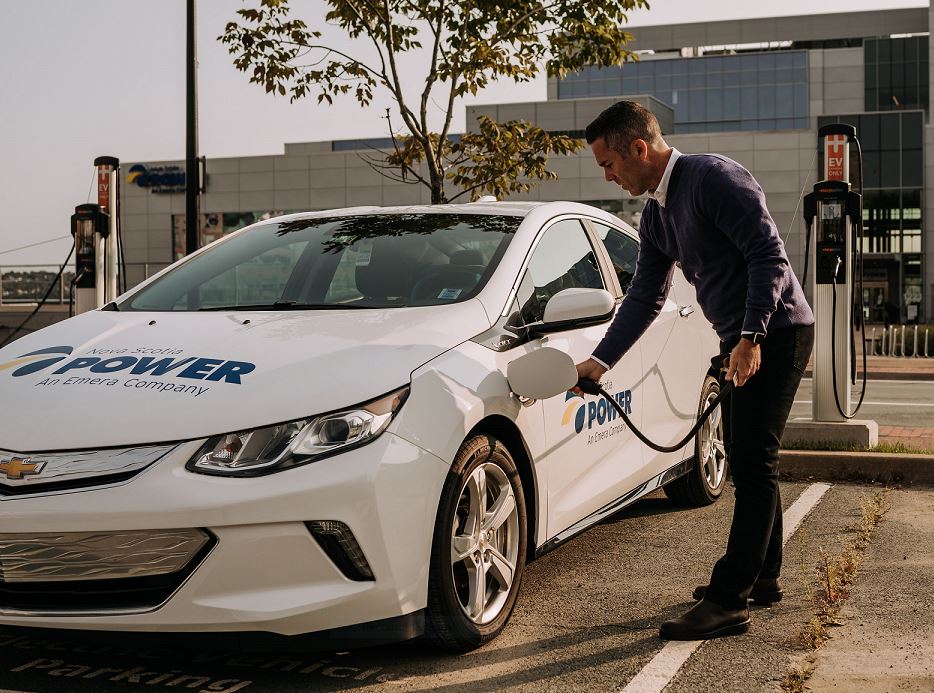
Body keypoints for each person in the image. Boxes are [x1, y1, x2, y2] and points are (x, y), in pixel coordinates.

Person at [576, 100, 815, 640]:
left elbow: (768, 257)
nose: (609, 177)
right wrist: (600, 361)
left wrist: (751, 336)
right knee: (752, 459)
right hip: (742, 340)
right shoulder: (657, 214)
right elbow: (643, 296)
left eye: (608, 165)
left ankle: (730, 599)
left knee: (753, 465)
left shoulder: (713, 179)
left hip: (776, 333)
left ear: (638, 148)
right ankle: (764, 578)